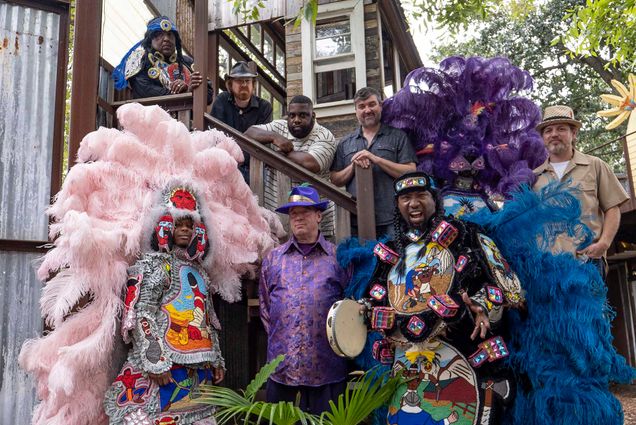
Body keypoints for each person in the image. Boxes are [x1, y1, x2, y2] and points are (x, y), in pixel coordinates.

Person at [338, 171, 523, 425]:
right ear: (397, 205)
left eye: (420, 195)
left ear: (435, 199)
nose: (413, 203)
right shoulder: (392, 250)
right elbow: (376, 297)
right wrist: (366, 315)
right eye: (405, 198)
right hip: (408, 365)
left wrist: (481, 305)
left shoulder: (465, 234)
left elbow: (504, 286)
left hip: (463, 356)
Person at [104, 185, 225, 424]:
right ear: (165, 227)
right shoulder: (156, 266)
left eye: (189, 226)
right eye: (179, 225)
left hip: (199, 371)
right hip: (164, 368)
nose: (184, 231)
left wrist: (216, 359)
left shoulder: (200, 271)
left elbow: (207, 319)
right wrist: (155, 361)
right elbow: (143, 314)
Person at [259, 185, 349, 415]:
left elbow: (348, 310)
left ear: (319, 216)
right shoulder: (274, 259)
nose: (297, 217)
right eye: (293, 213)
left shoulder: (338, 258)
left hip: (326, 367)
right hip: (283, 369)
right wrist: (288, 339)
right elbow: (266, 309)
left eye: (304, 211)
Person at [533, 105, 629, 275]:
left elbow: (612, 208)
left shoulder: (595, 166)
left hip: (587, 261)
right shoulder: (534, 177)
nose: (554, 134)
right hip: (546, 267)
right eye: (548, 130)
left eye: (561, 128)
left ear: (574, 133)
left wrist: (604, 244)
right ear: (543, 138)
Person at [245, 95, 337, 237]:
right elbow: (248, 133)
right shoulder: (279, 127)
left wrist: (277, 156)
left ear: (313, 116)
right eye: (292, 115)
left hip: (316, 224)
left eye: (303, 115)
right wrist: (275, 137)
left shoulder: (324, 136)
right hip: (279, 217)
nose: (296, 120)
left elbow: (310, 163)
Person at [330, 87, 417, 238]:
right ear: (356, 111)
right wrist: (353, 166)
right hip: (356, 219)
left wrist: (376, 159)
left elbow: (411, 172)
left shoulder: (398, 136)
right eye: (361, 106)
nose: (367, 110)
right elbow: (335, 179)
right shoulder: (345, 143)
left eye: (372, 104)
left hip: (393, 218)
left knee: (395, 261)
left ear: (381, 106)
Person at [113, 16, 213, 104]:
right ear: (149, 39)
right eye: (159, 34)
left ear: (176, 39)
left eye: (170, 34)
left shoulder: (187, 62)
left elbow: (208, 97)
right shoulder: (139, 59)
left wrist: (193, 90)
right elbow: (144, 91)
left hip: (186, 121)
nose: (166, 39)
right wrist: (185, 93)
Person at [211, 61, 273, 182]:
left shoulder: (264, 107)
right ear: (230, 85)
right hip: (227, 164)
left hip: (254, 167)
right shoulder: (222, 101)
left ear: (253, 85)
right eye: (239, 80)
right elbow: (216, 135)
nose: (244, 84)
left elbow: (263, 142)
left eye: (248, 81)